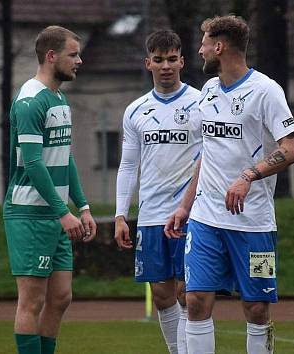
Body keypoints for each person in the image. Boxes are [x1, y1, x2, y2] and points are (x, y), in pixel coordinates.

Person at [165, 15, 294, 354]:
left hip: (253, 222)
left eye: (204, 43)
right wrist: (185, 205)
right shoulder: (208, 91)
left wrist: (247, 176)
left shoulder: (266, 91)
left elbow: (293, 148)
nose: (199, 50)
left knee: (256, 308)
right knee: (194, 299)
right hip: (206, 217)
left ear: (219, 46)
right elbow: (206, 155)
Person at [2, 25, 97, 354]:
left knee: (60, 298)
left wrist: (82, 207)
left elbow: (63, 157)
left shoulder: (59, 99)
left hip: (57, 216)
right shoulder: (30, 101)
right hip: (29, 213)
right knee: (32, 301)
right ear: (51, 56)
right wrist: (63, 212)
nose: (79, 61)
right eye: (73, 54)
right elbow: (32, 164)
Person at [114, 29, 202, 354]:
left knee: (188, 293)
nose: (166, 66)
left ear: (182, 60)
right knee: (163, 295)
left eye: (172, 59)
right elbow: (127, 166)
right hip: (150, 215)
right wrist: (121, 214)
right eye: (159, 59)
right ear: (147, 63)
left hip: (190, 213)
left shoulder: (200, 103)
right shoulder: (135, 111)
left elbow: (210, 158)